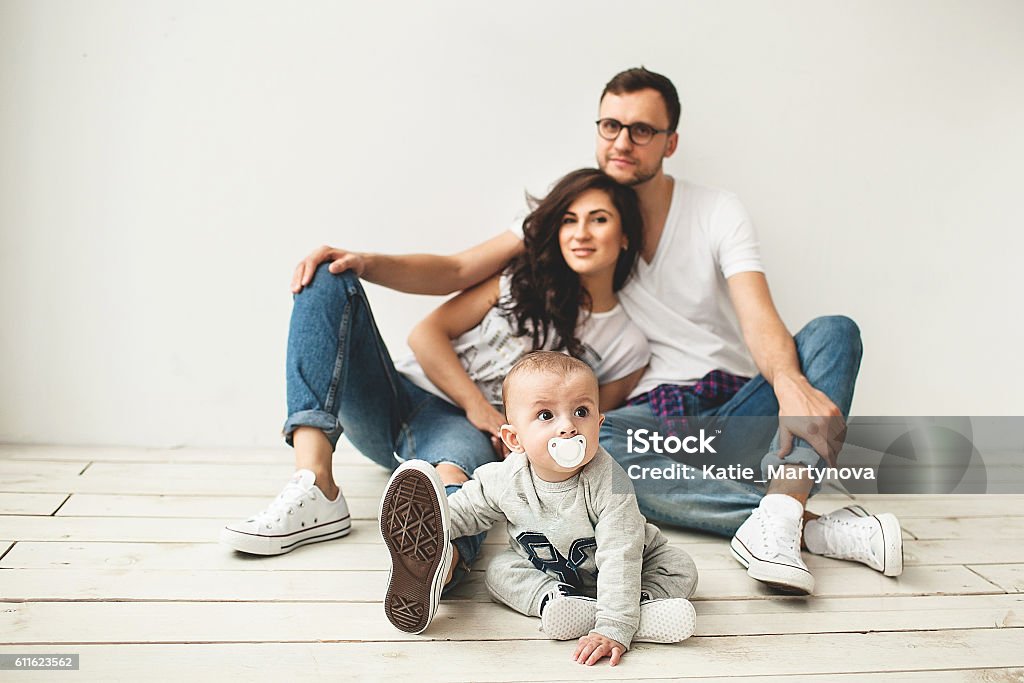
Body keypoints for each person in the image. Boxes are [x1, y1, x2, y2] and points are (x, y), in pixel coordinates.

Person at [286, 66, 903, 595]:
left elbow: (758, 316)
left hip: (731, 405)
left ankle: (783, 508)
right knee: (586, 450)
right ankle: (795, 523)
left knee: (833, 331)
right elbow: (453, 271)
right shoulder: (569, 216)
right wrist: (367, 263)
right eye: (611, 125)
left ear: (671, 141)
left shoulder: (715, 212)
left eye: (642, 129)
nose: (623, 141)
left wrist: (789, 381)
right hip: (643, 422)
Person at [220, 169, 651, 590]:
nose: (580, 233)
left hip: (464, 434)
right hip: (400, 396)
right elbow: (425, 337)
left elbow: (581, 438)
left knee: (455, 483)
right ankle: (316, 484)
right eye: (568, 220)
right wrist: (479, 407)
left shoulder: (626, 344)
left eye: (599, 219)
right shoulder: (516, 283)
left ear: (625, 234)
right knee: (326, 276)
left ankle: (437, 569)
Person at [379, 352, 698, 667]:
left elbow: (621, 553)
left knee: (680, 567)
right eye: (546, 415)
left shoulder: (609, 481)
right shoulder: (506, 477)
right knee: (499, 572)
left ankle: (636, 607)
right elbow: (464, 512)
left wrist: (614, 626)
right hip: (552, 573)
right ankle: (557, 601)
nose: (569, 427)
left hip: (632, 569)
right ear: (514, 439)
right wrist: (426, 528)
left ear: (599, 424)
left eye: (581, 411)